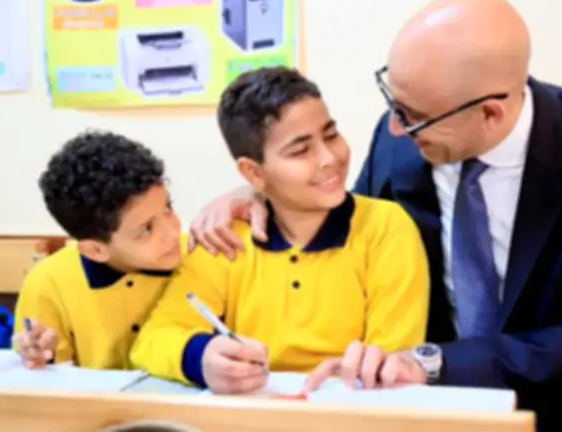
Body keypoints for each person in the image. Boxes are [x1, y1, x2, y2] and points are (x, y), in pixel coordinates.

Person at [186, 0, 562, 432]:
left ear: (491, 113)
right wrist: (256, 194)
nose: (395, 128)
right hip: (434, 391)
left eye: (414, 116)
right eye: (392, 101)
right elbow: (350, 219)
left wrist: (432, 363)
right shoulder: (401, 138)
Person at [130, 66, 430, 395]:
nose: (329, 158)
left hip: (354, 407)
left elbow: (392, 358)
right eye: (300, 151)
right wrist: (201, 358)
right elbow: (153, 340)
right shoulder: (226, 236)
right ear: (254, 173)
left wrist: (370, 368)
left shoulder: (386, 227)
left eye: (331, 135)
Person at [13, 130, 184, 370]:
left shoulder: (201, 254)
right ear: (95, 250)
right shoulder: (48, 283)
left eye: (168, 207)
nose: (173, 231)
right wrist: (41, 358)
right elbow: (41, 372)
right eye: (146, 230)